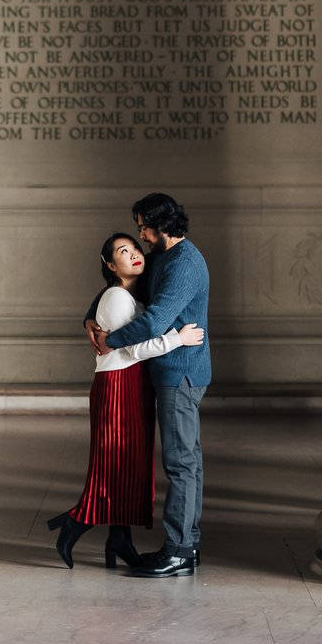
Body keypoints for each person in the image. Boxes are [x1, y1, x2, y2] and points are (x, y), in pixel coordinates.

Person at [47, 232, 204, 570]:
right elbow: (132, 348)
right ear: (109, 265)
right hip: (118, 385)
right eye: (124, 251)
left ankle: (120, 539)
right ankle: (76, 521)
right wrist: (179, 338)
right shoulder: (117, 297)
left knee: (129, 465)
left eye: (136, 245)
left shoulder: (136, 288)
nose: (136, 251)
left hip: (131, 383)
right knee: (116, 464)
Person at [86, 192, 211, 578]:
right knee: (186, 460)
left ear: (161, 224)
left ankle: (178, 550)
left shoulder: (185, 264)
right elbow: (122, 288)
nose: (140, 233)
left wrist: (110, 341)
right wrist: (90, 319)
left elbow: (155, 321)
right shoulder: (160, 258)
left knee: (181, 462)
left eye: (143, 226)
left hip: (180, 372)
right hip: (167, 370)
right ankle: (187, 544)